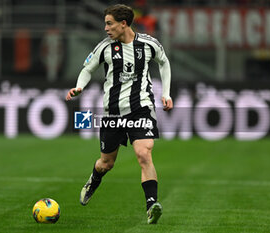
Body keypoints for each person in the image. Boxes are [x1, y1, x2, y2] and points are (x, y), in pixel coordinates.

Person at [65, 4, 173, 224]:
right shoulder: (105, 47)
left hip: (141, 107)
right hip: (113, 112)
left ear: (123, 24)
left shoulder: (149, 44)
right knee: (106, 163)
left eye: (109, 23)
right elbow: (87, 68)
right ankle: (94, 180)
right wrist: (79, 87)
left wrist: (167, 93)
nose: (106, 28)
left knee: (144, 153)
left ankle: (152, 206)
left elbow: (164, 62)